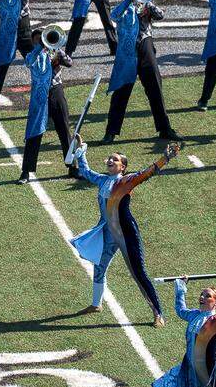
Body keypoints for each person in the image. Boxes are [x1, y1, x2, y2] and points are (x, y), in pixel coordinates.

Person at [71, 140, 175, 326]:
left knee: (138, 273)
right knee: (99, 265)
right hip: (107, 231)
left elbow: (148, 172)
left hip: (126, 233)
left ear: (123, 167)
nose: (110, 160)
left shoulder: (127, 181)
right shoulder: (103, 180)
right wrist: (81, 153)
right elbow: (85, 172)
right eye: (110, 158)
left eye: (115, 159)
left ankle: (158, 313)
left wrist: (164, 158)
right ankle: (96, 304)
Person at [103, 0, 181, 143]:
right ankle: (111, 132)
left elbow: (161, 15)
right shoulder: (122, 9)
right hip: (126, 54)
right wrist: (128, 1)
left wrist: (147, 3)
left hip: (146, 50)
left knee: (155, 90)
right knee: (120, 94)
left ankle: (165, 129)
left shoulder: (147, 6)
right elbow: (113, 16)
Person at [17, 28, 73, 184]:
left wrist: (58, 52)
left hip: (56, 91)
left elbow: (70, 63)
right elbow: (29, 62)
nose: (40, 42)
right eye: (37, 40)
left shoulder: (56, 51)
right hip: (39, 95)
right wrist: (39, 48)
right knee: (34, 132)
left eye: (42, 39)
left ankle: (72, 166)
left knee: (64, 129)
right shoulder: (32, 55)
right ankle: (26, 172)